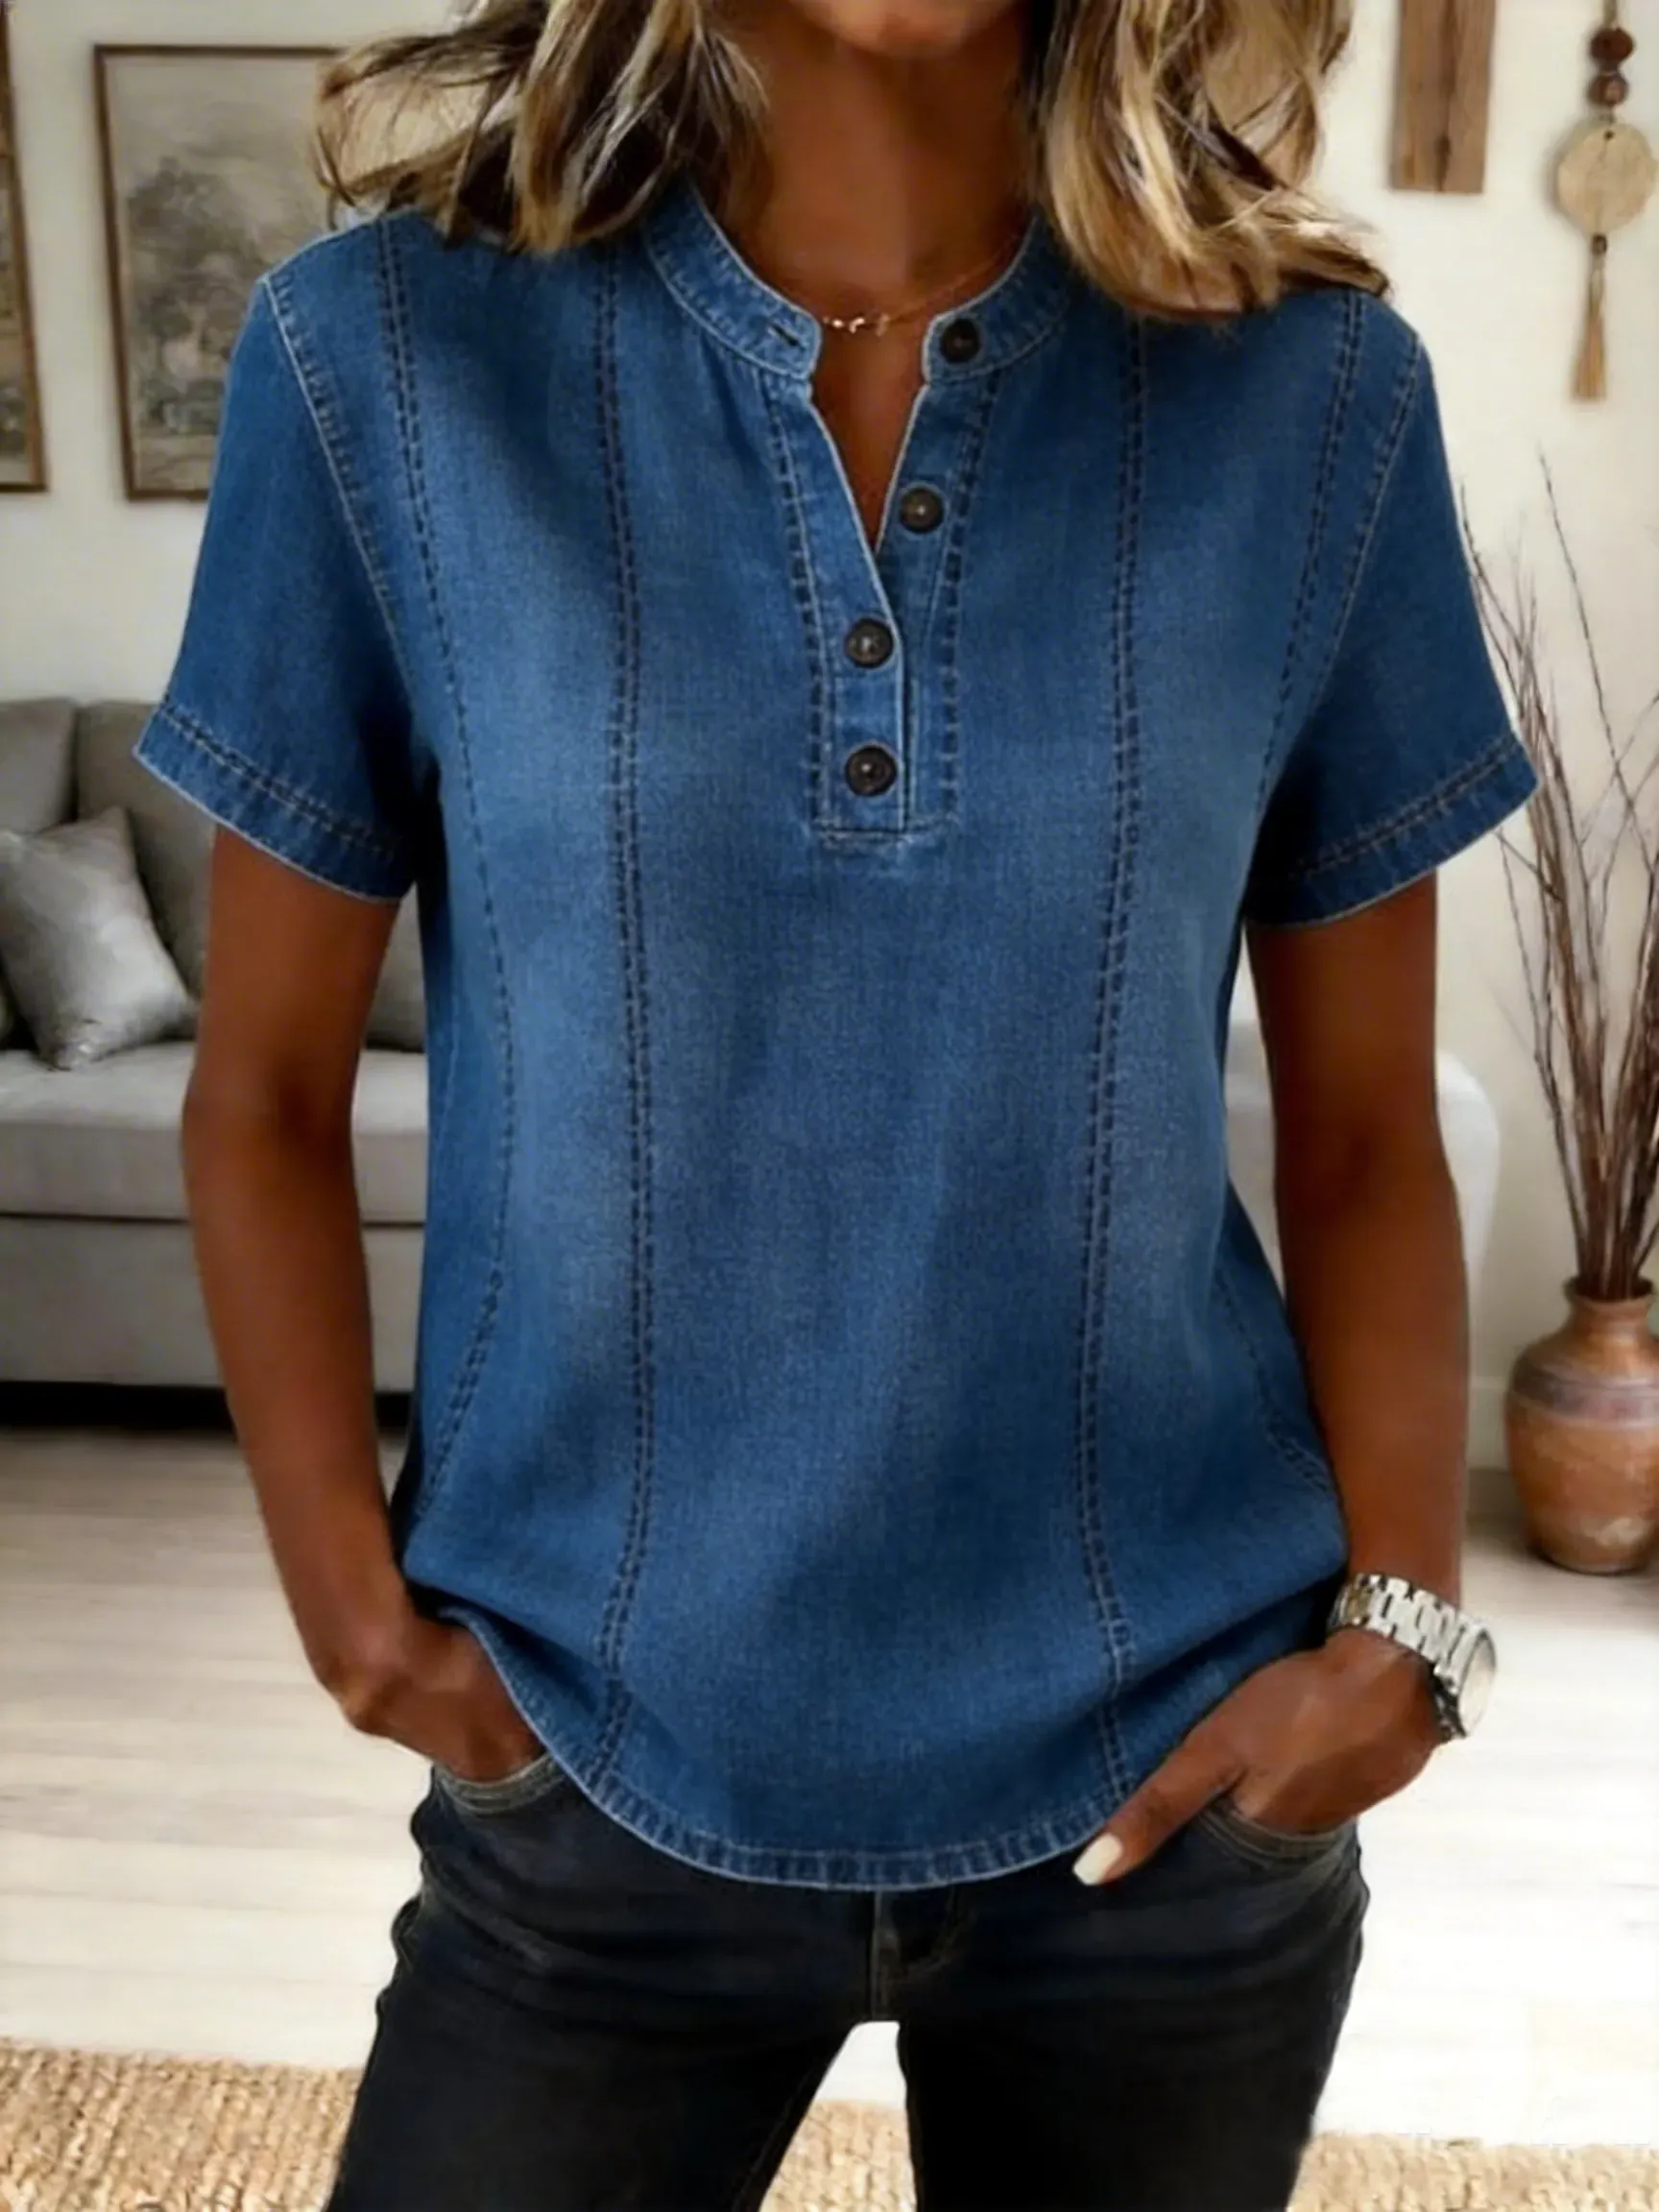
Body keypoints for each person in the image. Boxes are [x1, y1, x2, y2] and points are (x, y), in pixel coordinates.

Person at [133, 0, 1535, 2203]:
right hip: (592, 1774)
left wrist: (1404, 1638)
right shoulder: (384, 362)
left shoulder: (1317, 395)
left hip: (1170, 1795)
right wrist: (362, 1632)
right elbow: (264, 1091)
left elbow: (1367, 1136)